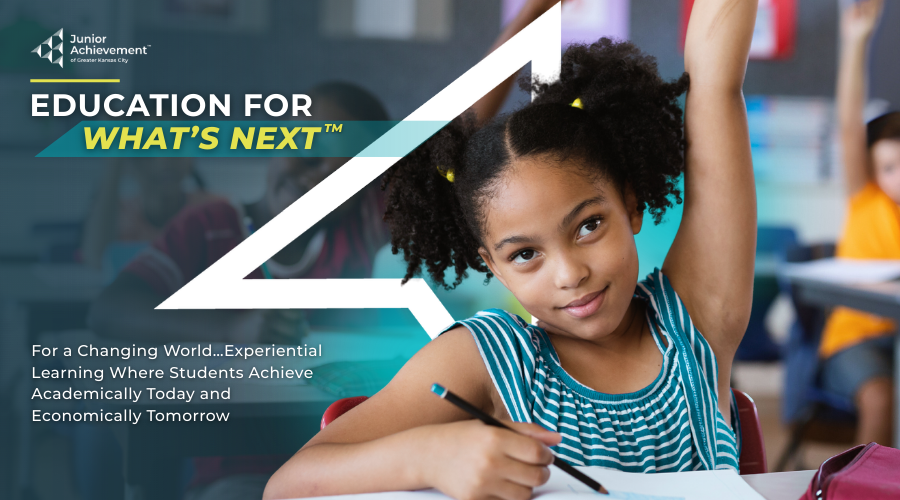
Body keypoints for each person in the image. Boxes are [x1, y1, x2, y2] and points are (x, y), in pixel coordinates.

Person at [264, 0, 758, 498]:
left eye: (588, 226)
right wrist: (430, 456)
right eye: (525, 254)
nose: (569, 274)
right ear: (493, 267)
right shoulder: (488, 359)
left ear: (630, 205)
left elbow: (716, 82)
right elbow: (287, 485)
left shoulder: (696, 319)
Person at [819, 0, 896, 446]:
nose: (896, 178)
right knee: (881, 398)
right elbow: (850, 126)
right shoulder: (866, 198)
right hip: (855, 339)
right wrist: (856, 42)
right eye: (888, 167)